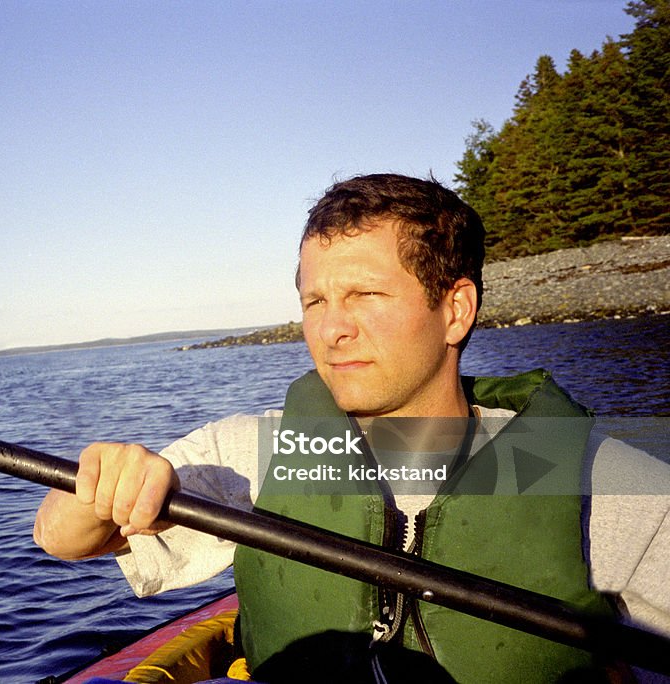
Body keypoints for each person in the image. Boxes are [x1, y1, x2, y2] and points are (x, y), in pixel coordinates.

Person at [34, 174, 670, 683]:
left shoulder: (602, 480)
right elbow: (61, 537)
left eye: (366, 296)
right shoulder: (255, 454)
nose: (331, 329)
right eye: (316, 301)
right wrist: (100, 486)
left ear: (455, 310)